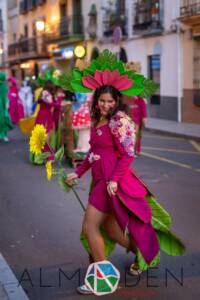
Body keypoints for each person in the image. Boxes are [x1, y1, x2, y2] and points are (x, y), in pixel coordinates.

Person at [63, 50, 185, 295]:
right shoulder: (97, 120)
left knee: (90, 227)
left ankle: (101, 278)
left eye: (111, 101)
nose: (106, 105)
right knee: (111, 230)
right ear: (96, 100)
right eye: (102, 100)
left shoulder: (120, 121)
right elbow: (93, 153)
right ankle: (140, 252)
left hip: (112, 184)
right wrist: (79, 171)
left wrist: (114, 181)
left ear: (117, 100)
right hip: (101, 181)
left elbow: (128, 155)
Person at [0, 72, 13, 142]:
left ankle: (4, 135)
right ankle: (3, 135)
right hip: (2, 105)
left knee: (3, 120)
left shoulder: (4, 86)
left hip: (3, 106)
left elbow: (6, 96)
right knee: (2, 120)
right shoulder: (4, 86)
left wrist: (7, 104)